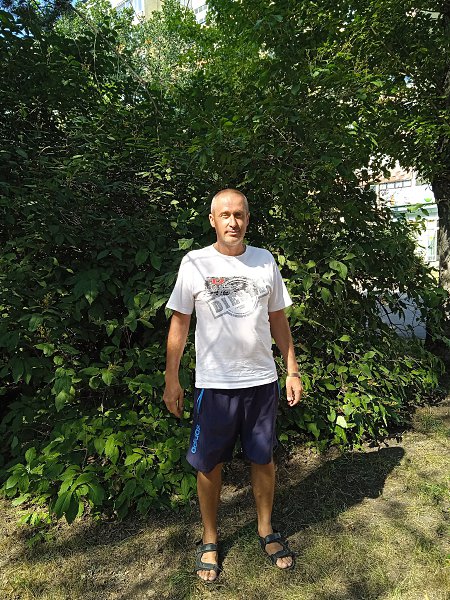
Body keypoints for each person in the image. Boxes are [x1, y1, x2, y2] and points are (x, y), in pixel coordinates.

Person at [163, 188, 303, 583]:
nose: (232, 221)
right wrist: (171, 377)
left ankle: (265, 528)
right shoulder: (194, 263)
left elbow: (278, 320)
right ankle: (210, 537)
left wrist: (292, 369)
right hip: (214, 385)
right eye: (225, 214)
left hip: (261, 381)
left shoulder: (264, 260)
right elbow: (180, 323)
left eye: (239, 214)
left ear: (247, 218)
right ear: (212, 220)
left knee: (263, 458)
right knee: (209, 464)